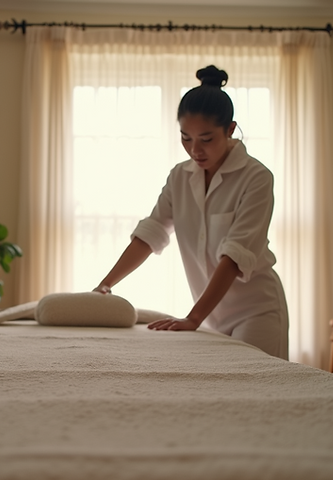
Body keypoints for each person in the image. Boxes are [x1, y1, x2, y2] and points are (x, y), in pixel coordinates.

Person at [93, 65, 289, 360]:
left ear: (230, 129)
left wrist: (193, 318)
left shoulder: (256, 177)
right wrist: (103, 286)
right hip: (209, 313)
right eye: (186, 138)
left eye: (206, 139)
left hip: (256, 311)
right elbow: (150, 234)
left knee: (255, 391)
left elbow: (235, 257)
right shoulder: (179, 177)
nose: (195, 150)